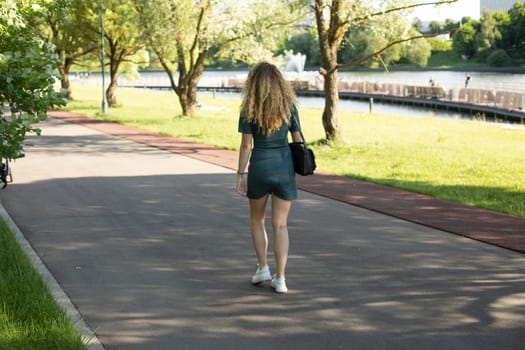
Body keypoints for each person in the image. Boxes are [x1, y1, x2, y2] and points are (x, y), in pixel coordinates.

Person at [236, 62, 303, 294]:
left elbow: (246, 145)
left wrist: (240, 174)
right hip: (284, 167)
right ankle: (281, 278)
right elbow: (297, 139)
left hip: (259, 168)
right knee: (281, 225)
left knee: (257, 220)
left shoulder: (249, 109)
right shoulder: (289, 107)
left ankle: (263, 267)